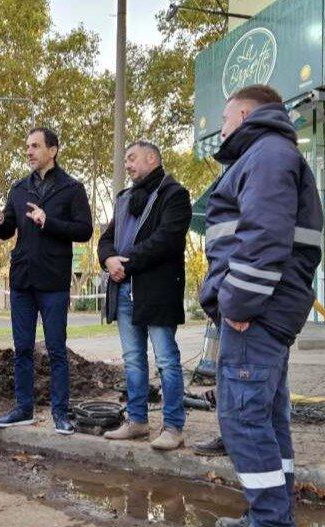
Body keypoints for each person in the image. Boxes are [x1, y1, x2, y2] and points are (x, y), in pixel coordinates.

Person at [200, 84, 323, 527]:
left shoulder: (266, 155)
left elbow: (263, 238)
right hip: (267, 313)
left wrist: (237, 304)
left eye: (226, 118)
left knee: (243, 420)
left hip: (255, 316)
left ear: (247, 113)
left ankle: (269, 520)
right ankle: (272, 514)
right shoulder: (270, 155)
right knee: (267, 418)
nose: (222, 128)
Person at [0, 127, 93, 435]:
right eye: (28, 147)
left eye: (35, 146)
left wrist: (49, 222)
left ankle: (60, 413)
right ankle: (23, 409)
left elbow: (84, 231)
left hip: (54, 281)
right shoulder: (19, 189)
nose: (29, 151)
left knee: (56, 349)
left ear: (53, 150)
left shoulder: (72, 188)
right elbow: (8, 230)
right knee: (22, 349)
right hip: (22, 280)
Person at [97, 140, 191, 450]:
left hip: (156, 290)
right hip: (123, 289)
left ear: (152, 158)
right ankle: (137, 422)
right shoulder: (124, 198)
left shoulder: (174, 194)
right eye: (126, 159)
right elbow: (106, 239)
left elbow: (167, 239)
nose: (128, 164)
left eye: (132, 157)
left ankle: (174, 428)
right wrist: (109, 259)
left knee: (166, 359)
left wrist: (127, 263)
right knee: (133, 360)